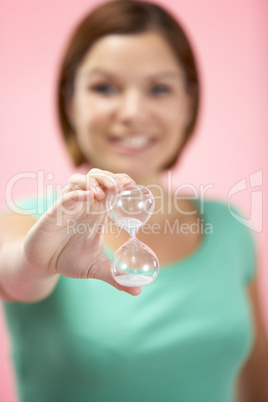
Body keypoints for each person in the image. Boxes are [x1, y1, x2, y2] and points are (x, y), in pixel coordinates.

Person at [0, 1, 267, 401]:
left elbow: (255, 380)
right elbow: (16, 273)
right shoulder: (28, 221)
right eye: (105, 87)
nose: (132, 112)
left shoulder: (229, 225)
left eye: (159, 89)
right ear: (71, 102)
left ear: (187, 103)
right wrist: (37, 261)